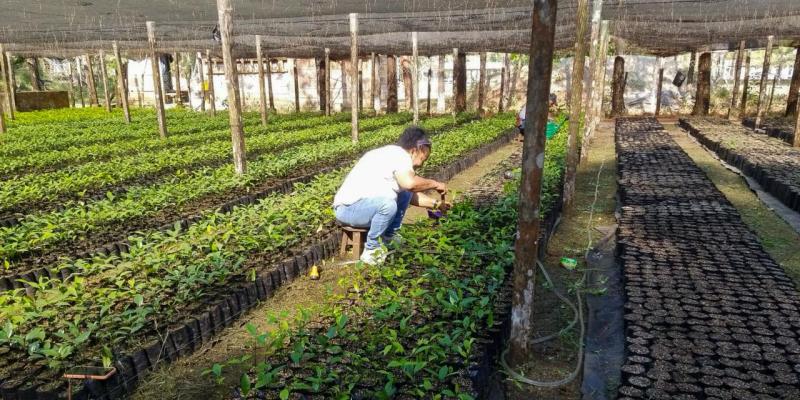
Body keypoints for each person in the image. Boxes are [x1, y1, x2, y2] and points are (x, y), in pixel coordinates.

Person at [333, 127, 450, 265]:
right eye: (422, 160)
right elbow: (410, 183)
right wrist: (435, 184)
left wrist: (436, 204)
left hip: (362, 207)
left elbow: (410, 194)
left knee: (403, 194)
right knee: (388, 205)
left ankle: (388, 236)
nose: (420, 165)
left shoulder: (392, 155)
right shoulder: (399, 156)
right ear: (414, 150)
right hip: (348, 209)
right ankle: (372, 250)